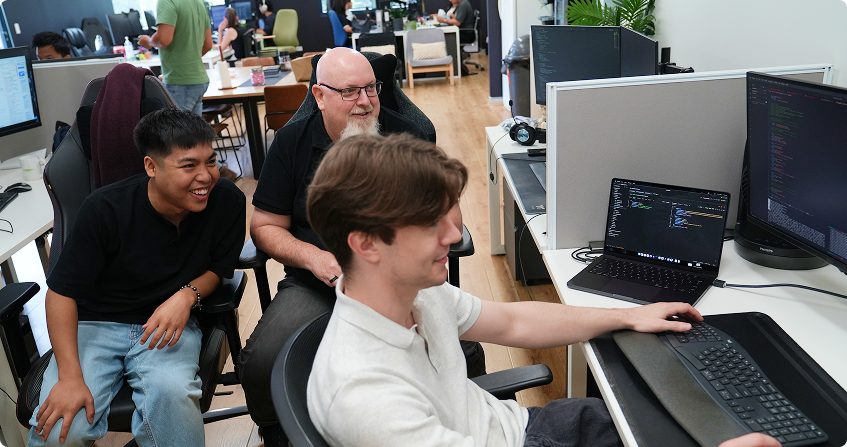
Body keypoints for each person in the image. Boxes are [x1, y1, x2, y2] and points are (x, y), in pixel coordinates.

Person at [304, 133, 782, 447]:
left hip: (522, 429)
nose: (453, 237)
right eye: (431, 223)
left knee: (669, 417)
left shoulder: (411, 292)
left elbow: (512, 321)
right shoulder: (364, 396)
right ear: (366, 243)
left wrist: (627, 316)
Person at [237, 47, 431, 446]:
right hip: (318, 281)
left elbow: (441, 219)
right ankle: (279, 434)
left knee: (454, 349)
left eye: (371, 89)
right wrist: (316, 258)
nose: (364, 102)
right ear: (319, 96)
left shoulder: (406, 137)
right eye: (349, 92)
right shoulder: (291, 142)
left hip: (396, 281)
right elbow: (265, 226)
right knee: (262, 362)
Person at [26, 108, 246, 447]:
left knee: (173, 404)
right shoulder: (104, 210)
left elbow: (218, 268)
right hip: (95, 323)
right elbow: (60, 293)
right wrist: (70, 377)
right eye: (189, 166)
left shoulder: (227, 201)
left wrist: (186, 295)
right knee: (61, 432)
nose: (206, 176)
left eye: (211, 161)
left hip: (167, 326)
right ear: (151, 167)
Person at [138, 0, 213, 115]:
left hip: (180, 81)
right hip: (199, 79)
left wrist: (148, 41)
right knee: (193, 131)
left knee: (177, 131)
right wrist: (189, 58)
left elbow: (164, 39)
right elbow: (208, 44)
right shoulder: (199, 3)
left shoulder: (167, 1)